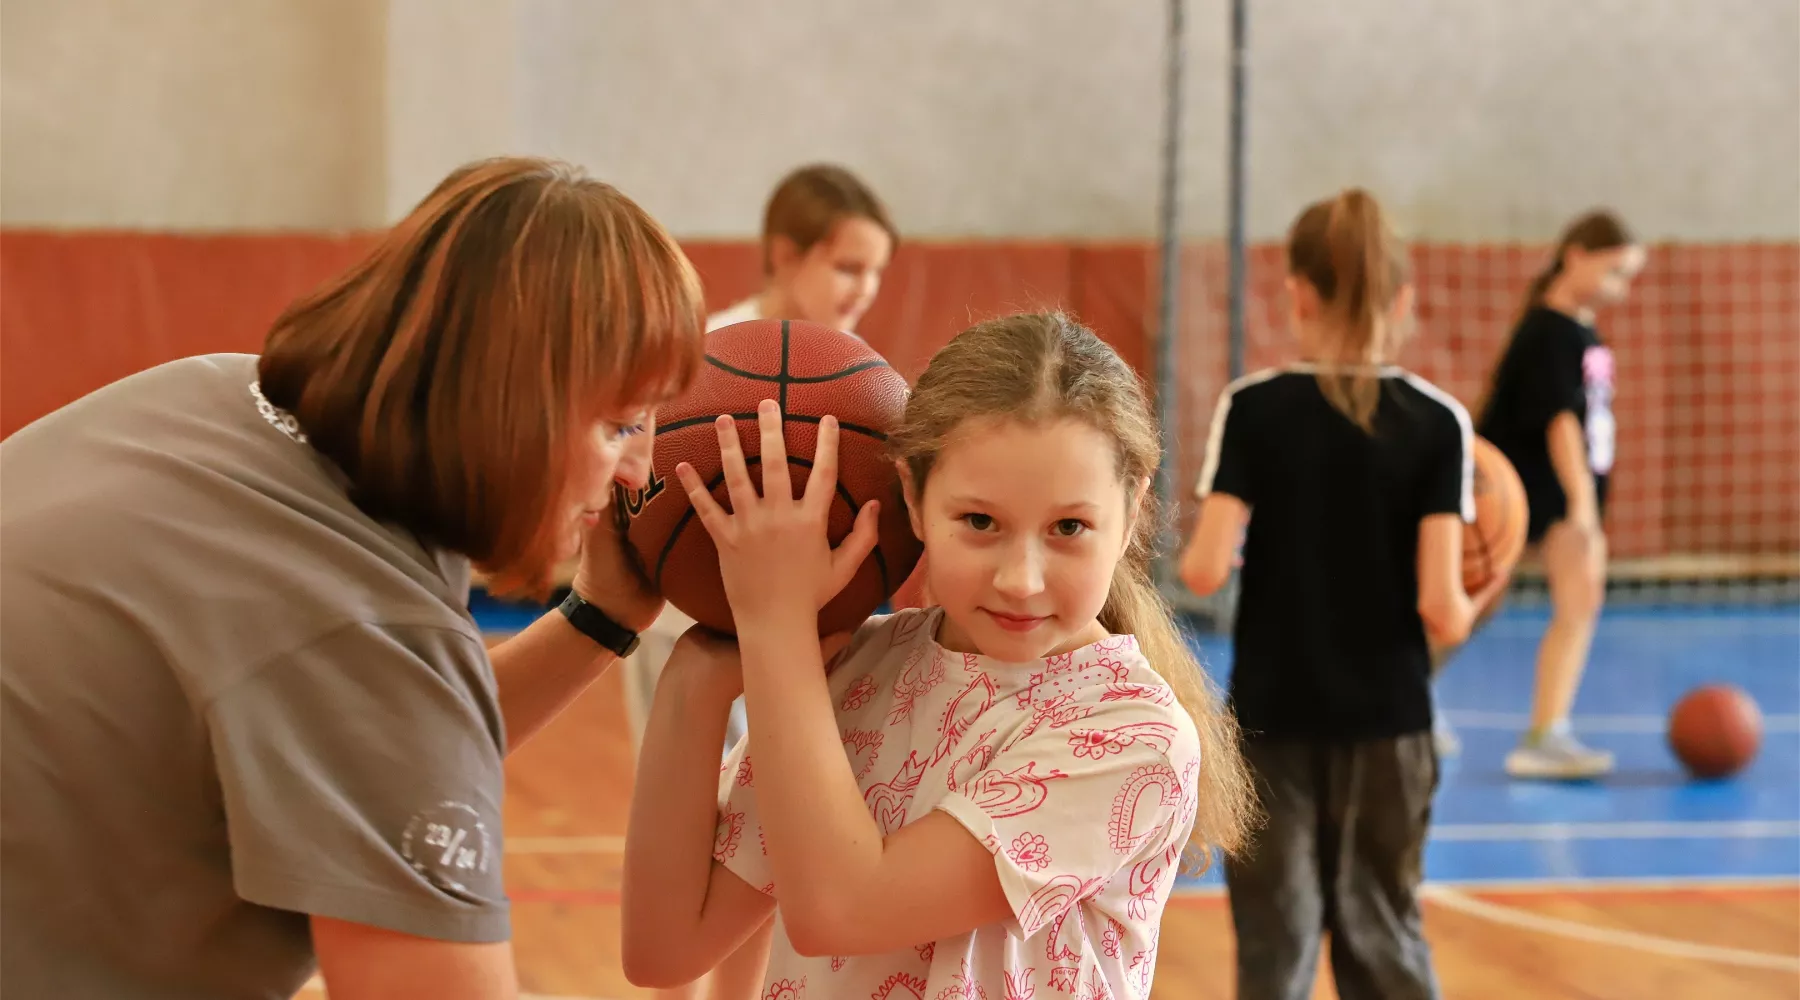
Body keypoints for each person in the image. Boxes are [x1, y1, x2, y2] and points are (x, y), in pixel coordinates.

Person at [0, 157, 706, 999]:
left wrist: (600, 617)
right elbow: (375, 700)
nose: (639, 471)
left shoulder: (211, 394)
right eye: (622, 422)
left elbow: (376, 746)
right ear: (515, 403)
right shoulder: (361, 624)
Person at [620, 313, 1256, 999]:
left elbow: (844, 909)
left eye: (1069, 527)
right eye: (980, 522)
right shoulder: (857, 670)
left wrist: (775, 627)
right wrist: (698, 673)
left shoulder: (1132, 736)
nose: (1022, 578)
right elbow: (665, 950)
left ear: (1131, 509)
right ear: (915, 500)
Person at [1181, 188, 1494, 1000]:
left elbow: (1205, 572)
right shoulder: (1439, 424)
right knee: (1383, 938)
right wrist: (1480, 588)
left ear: (1298, 293)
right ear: (1403, 302)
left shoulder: (1250, 409)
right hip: (1389, 726)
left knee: (1274, 952)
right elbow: (1439, 607)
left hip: (1270, 720)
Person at [1456, 210, 1644, 780]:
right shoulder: (1551, 329)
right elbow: (1560, 421)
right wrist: (1582, 507)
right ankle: (1544, 735)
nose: (1622, 288)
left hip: (1549, 489)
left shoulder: (1578, 330)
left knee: (1491, 603)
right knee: (1546, 598)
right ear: (1576, 255)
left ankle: (1546, 728)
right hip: (1532, 488)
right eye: (1614, 272)